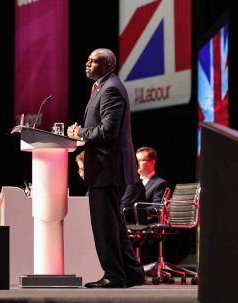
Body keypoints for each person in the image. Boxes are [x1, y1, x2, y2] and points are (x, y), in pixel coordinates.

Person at [67, 48, 146, 288]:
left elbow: (108, 131)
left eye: (94, 61)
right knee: (115, 225)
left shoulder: (110, 88)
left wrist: (79, 133)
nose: (87, 64)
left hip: (107, 168)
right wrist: (82, 132)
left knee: (105, 226)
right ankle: (132, 273)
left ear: (108, 66)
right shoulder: (103, 86)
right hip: (107, 167)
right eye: (88, 60)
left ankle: (113, 275)